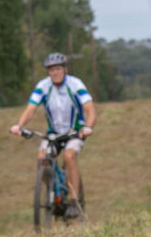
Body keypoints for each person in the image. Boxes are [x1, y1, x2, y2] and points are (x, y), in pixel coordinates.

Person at [9, 52, 95, 216]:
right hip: (53, 134)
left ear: (64, 69)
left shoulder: (75, 84)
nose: (55, 73)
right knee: (42, 159)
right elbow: (31, 108)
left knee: (70, 156)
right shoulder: (43, 86)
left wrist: (88, 127)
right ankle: (52, 193)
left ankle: (73, 201)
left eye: (57, 69)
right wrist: (19, 126)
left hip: (74, 132)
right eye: (51, 70)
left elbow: (90, 109)